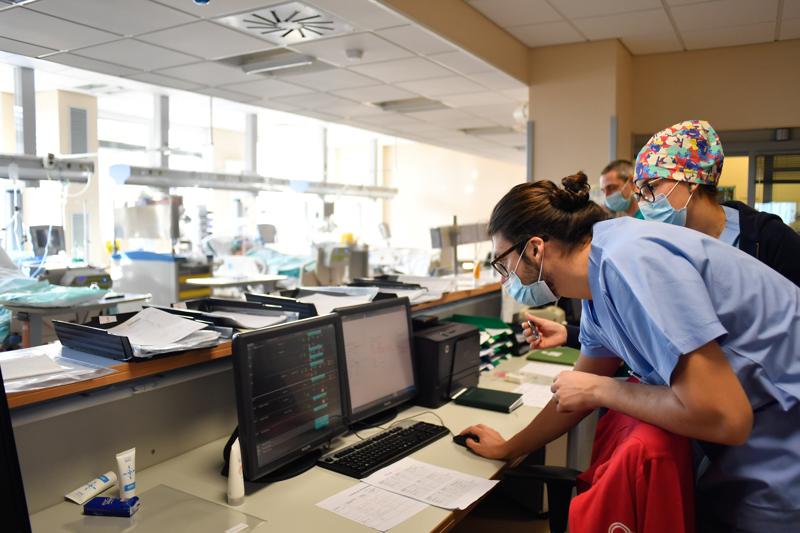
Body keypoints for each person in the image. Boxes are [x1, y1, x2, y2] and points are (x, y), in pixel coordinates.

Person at [464, 172, 800, 532]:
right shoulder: (598, 280)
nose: (504, 278)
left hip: (783, 440)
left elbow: (725, 418)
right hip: (749, 442)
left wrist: (602, 390)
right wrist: (511, 448)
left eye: (503, 264)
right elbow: (575, 393)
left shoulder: (630, 261)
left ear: (534, 248)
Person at [634, 119, 800, 285]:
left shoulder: (769, 239)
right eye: (640, 194)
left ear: (691, 180)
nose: (644, 202)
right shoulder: (664, 247)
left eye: (650, 187)